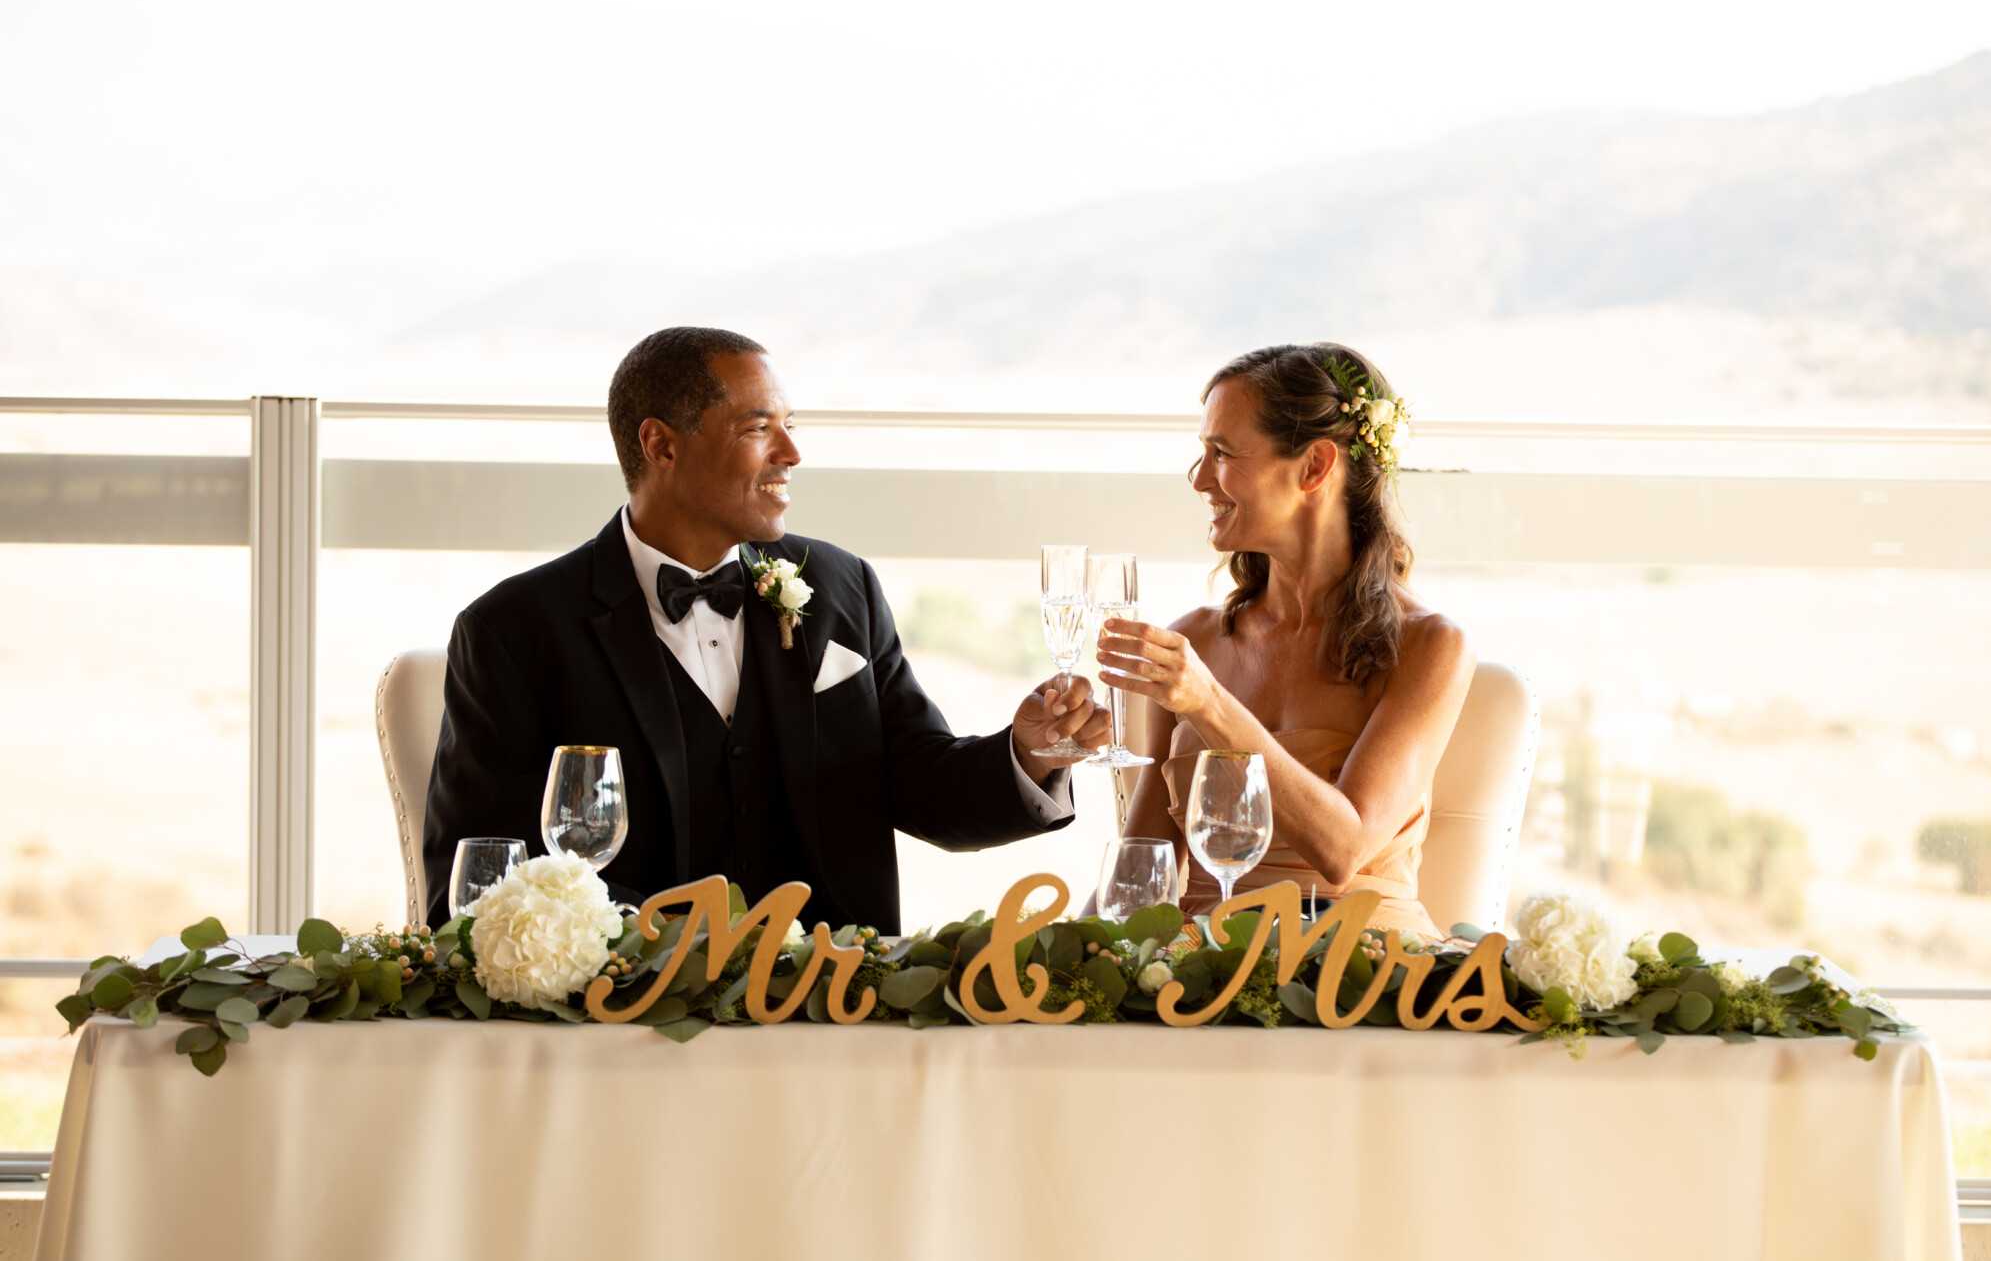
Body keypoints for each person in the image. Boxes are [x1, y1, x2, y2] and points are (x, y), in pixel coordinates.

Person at [422, 327, 1108, 930]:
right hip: (627, 1016)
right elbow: (482, 881)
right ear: (661, 444)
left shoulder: (841, 587)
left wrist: (1028, 753)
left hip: (838, 1003)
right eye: (758, 428)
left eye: (790, 424)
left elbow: (923, 782)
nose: (792, 452)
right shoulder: (513, 631)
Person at [1098, 342, 1473, 936]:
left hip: (1360, 966)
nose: (1199, 480)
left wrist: (1208, 703)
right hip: (1200, 968)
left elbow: (1343, 849)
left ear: (1315, 467)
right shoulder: (1195, 639)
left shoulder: (1429, 646)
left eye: (1222, 453)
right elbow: (1140, 878)